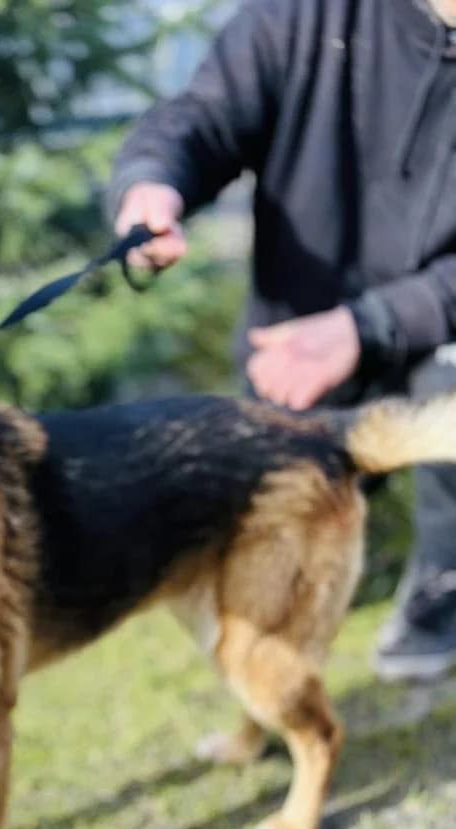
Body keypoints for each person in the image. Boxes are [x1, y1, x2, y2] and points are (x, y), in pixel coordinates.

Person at [109, 0, 456, 681]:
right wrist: (151, 183)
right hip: (294, 348)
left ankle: (443, 581)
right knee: (269, 578)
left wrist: (367, 326)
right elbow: (202, 115)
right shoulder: (304, 15)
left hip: (438, 338)